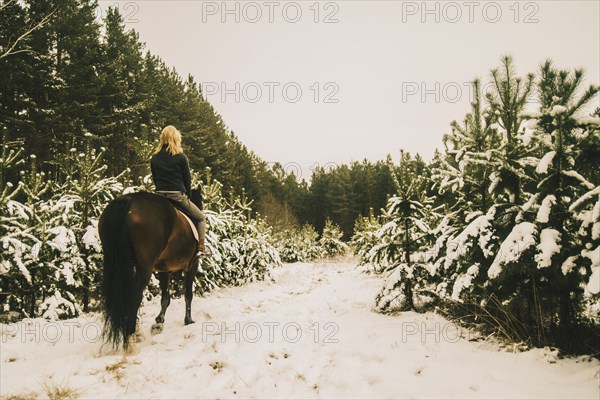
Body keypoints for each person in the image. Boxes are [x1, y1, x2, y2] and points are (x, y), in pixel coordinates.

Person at [150, 125, 208, 255]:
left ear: (162, 138)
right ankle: (201, 247)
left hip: (159, 196)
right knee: (201, 218)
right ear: (176, 138)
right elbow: (187, 180)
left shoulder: (155, 158)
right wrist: (187, 194)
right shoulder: (181, 157)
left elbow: (155, 179)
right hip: (177, 196)